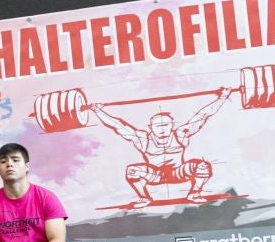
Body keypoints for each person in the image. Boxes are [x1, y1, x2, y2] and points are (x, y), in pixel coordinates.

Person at [88, 88, 231, 207]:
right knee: (132, 170)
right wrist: (97, 111)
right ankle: (144, 198)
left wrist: (223, 97)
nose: (162, 129)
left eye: (165, 125)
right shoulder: (143, 139)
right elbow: (117, 125)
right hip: (155, 174)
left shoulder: (181, 135)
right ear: (150, 127)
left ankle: (194, 193)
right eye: (157, 126)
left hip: (178, 173)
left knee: (202, 166)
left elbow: (203, 115)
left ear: (172, 126)